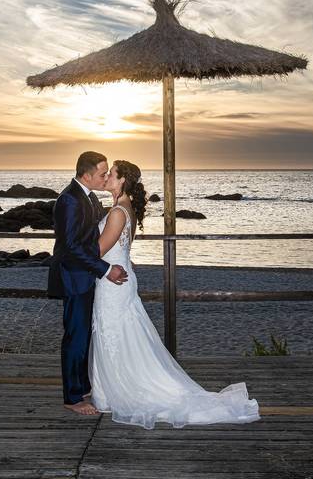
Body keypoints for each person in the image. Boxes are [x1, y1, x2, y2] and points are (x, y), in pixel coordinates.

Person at [88, 159, 260, 429]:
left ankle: (115, 391)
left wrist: (73, 244)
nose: (107, 176)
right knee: (121, 334)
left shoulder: (118, 213)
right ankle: (108, 389)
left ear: (122, 181)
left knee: (114, 333)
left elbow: (96, 251)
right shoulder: (125, 208)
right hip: (118, 280)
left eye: (112, 173)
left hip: (113, 284)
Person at [48, 151, 128, 416]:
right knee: (75, 338)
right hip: (73, 277)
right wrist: (105, 269)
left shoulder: (89, 196)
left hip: (86, 275)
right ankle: (72, 398)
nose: (105, 177)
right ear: (86, 175)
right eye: (102, 173)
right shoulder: (69, 200)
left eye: (108, 173)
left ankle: (81, 387)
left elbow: (92, 237)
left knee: (83, 336)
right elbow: (71, 247)